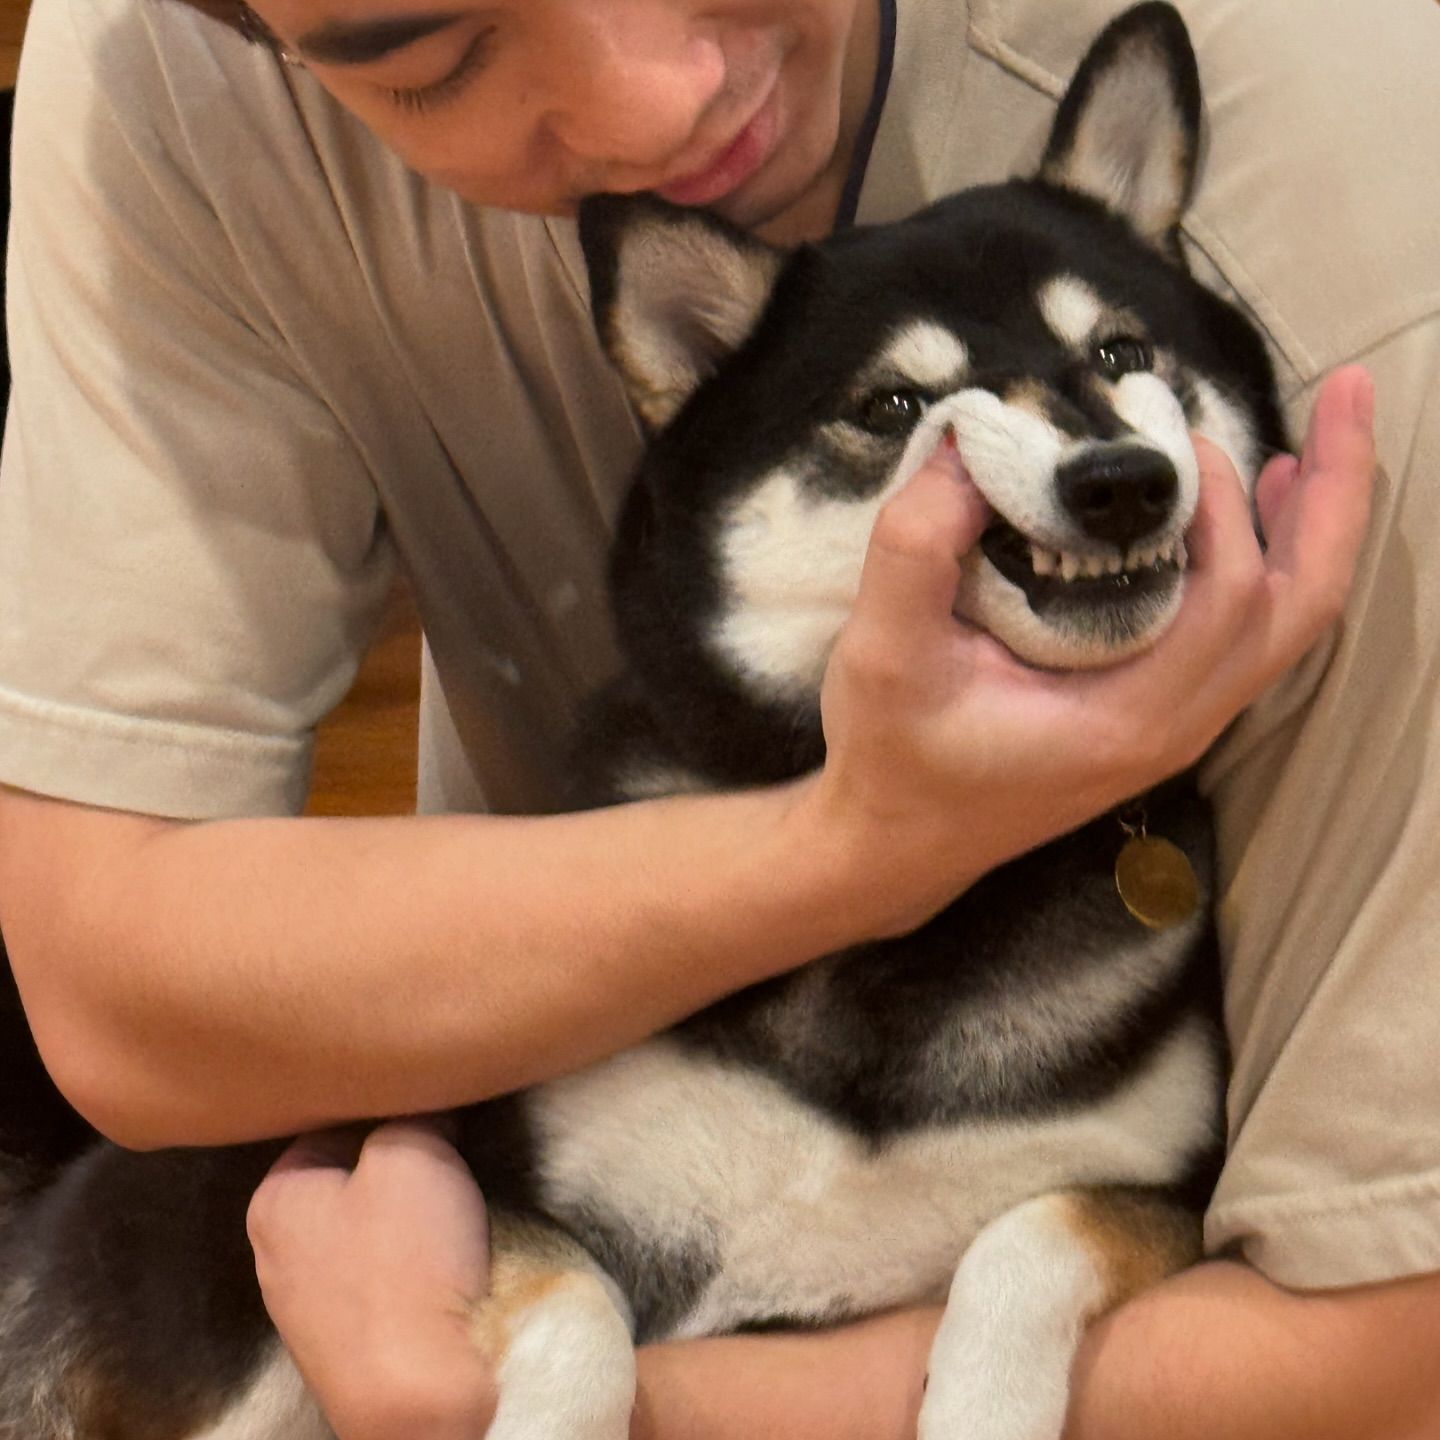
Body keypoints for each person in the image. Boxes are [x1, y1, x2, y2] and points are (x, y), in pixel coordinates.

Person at [0, 0, 1431, 1431]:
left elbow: (1390, 1340)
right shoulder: (164, 73)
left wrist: (504, 1400)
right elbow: (115, 980)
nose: (655, 111)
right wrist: (867, 841)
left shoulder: (1368, 235)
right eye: (431, 59)